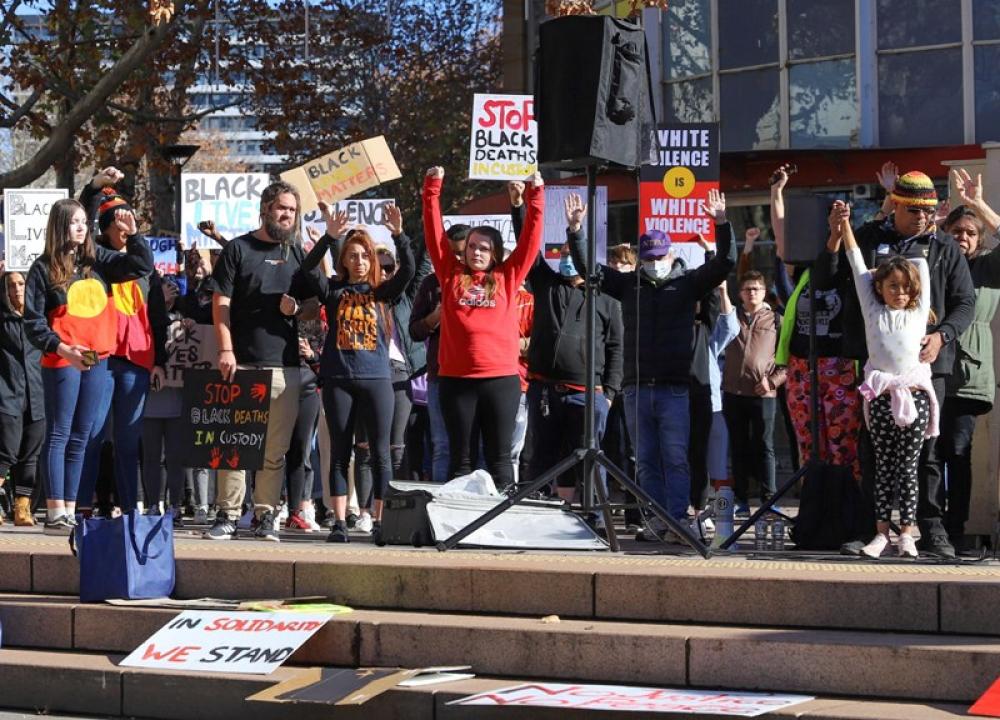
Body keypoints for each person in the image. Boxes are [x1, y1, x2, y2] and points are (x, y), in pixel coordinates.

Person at [812, 171, 975, 559]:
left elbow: (964, 302)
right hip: (877, 369)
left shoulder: (944, 248)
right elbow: (826, 278)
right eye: (915, 210)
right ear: (895, 206)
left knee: (928, 455)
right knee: (874, 452)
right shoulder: (869, 238)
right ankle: (874, 529)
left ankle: (931, 531)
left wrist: (942, 336)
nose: (923, 217)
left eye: (929, 211)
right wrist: (836, 235)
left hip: (926, 368)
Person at [569, 189, 735, 540]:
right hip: (636, 389)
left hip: (675, 387)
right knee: (644, 460)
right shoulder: (630, 285)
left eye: (659, 256)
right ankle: (657, 516)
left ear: (671, 254)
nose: (654, 262)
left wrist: (721, 223)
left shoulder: (688, 284)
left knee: (675, 457)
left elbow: (725, 265)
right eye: (648, 257)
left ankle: (677, 517)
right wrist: (575, 230)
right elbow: (589, 268)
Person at [23, 198, 152, 534]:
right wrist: (62, 349)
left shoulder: (98, 261)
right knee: (60, 433)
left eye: (84, 222)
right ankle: (55, 511)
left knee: (82, 435)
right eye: (74, 222)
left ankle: (70, 507)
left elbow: (140, 266)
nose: (81, 228)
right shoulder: (43, 268)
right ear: (59, 226)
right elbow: (33, 323)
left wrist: (134, 235)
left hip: (97, 356)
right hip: (63, 355)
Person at [204, 180, 319, 542]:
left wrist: (299, 309)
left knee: (275, 450)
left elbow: (315, 305)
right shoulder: (238, 249)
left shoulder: (298, 252)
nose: (286, 215)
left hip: (284, 366)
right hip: (240, 363)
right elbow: (220, 303)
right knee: (234, 446)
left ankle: (266, 515)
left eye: (292, 210)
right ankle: (227, 514)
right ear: (266, 207)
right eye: (281, 208)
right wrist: (225, 349)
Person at [422, 166, 544, 491]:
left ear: (495, 254)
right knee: (460, 459)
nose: (476, 252)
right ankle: (457, 527)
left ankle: (501, 524)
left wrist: (536, 195)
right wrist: (432, 188)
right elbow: (434, 233)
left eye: (484, 248)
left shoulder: (508, 276)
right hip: (456, 381)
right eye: (473, 246)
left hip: (500, 381)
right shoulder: (450, 273)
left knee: (499, 458)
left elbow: (531, 240)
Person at [299, 203, 415, 543]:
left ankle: (379, 521)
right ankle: (338, 522)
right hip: (338, 380)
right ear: (344, 260)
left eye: (365, 256)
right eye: (353, 255)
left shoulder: (383, 293)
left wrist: (399, 234)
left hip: (378, 380)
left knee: (381, 453)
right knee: (340, 452)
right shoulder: (333, 291)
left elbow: (407, 271)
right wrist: (329, 236)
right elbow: (308, 269)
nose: (360, 262)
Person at [838, 212, 937, 558]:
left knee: (909, 468)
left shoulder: (917, 309)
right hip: (880, 395)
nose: (900, 292)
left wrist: (925, 223)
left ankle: (907, 533)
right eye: (892, 285)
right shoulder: (872, 309)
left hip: (913, 394)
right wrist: (845, 226)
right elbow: (855, 262)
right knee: (882, 466)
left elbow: (921, 266)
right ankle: (881, 534)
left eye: (905, 287)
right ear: (878, 287)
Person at [77, 168, 169, 514]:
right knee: (93, 435)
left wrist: (160, 359)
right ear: (104, 226)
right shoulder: (94, 259)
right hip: (100, 358)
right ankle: (83, 506)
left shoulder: (143, 260)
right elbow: (80, 224)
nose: (125, 223)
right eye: (118, 219)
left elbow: (158, 316)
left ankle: (131, 508)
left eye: (129, 218)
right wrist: (94, 188)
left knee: (129, 442)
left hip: (137, 362)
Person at [522, 192, 623, 503]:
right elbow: (527, 248)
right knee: (543, 454)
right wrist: (519, 206)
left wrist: (608, 393)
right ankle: (542, 508)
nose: (566, 260)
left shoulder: (606, 299)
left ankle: (594, 513)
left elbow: (616, 348)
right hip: (546, 391)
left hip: (587, 393)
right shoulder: (546, 284)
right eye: (561, 254)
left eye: (572, 254)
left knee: (589, 457)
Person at [771, 164, 861, 476]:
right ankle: (815, 507)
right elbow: (783, 235)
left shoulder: (846, 274)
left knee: (843, 444)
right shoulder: (799, 277)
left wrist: (842, 227)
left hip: (839, 366)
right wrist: (776, 193)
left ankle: (845, 507)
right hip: (801, 366)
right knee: (810, 446)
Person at [939, 169, 1000, 550]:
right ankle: (927, 527)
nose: (962, 238)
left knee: (958, 453)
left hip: (967, 375)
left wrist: (978, 203)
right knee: (927, 455)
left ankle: (956, 528)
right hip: (928, 370)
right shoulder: (935, 261)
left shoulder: (988, 268)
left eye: (970, 233)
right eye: (956, 231)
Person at [722, 270, 787, 515]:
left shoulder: (776, 320)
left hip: (764, 394)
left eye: (756, 289)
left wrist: (773, 382)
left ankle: (768, 498)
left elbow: (787, 359)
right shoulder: (730, 318)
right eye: (747, 289)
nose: (752, 293)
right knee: (737, 446)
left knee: (764, 445)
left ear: (764, 292)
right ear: (739, 294)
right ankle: (740, 499)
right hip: (733, 391)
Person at [409, 225, 470, 483]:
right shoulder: (432, 283)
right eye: (451, 253)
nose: (457, 259)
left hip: (477, 376)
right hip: (440, 375)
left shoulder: (487, 282)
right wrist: (435, 316)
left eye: (462, 253)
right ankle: (440, 506)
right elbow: (414, 331)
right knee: (441, 444)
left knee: (475, 446)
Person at [0, 271, 44, 526]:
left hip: (37, 396)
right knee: (6, 453)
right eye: (10, 285)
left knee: (30, 455)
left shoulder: (38, 319)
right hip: (8, 394)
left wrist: (93, 358)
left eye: (21, 283)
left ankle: (22, 509)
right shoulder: (3, 319)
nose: (17, 289)